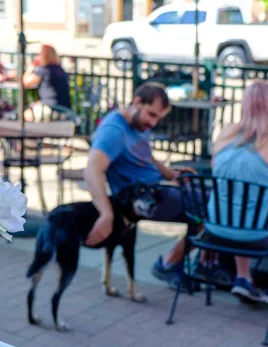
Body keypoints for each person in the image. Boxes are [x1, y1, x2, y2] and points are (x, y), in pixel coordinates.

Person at [83, 82, 199, 285]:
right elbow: (92, 169)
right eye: (151, 114)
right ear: (137, 102)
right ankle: (169, 263)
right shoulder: (114, 131)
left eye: (158, 118)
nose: (153, 123)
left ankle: (209, 263)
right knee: (213, 207)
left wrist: (171, 174)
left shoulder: (138, 124)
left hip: (156, 187)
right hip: (141, 199)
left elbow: (146, 156)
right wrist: (106, 214)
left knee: (218, 197)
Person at [208, 81, 268, 311]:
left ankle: (243, 277)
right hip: (258, 235)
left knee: (242, 208)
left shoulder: (224, 134)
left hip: (215, 229)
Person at [23, 44, 71, 120]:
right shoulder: (60, 70)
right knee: (35, 107)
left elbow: (25, 83)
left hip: (52, 108)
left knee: (27, 114)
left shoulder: (44, 70)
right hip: (64, 108)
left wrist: (30, 68)